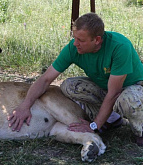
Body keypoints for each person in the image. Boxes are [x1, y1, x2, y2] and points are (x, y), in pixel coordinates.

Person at [8, 12, 143, 145]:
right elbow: (45, 79)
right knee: (69, 86)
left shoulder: (119, 46)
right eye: (75, 38)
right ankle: (112, 120)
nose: (75, 44)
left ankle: (140, 131)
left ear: (97, 40)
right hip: (107, 88)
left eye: (81, 40)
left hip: (133, 88)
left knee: (128, 100)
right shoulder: (73, 49)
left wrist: (94, 126)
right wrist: (25, 106)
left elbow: (114, 93)